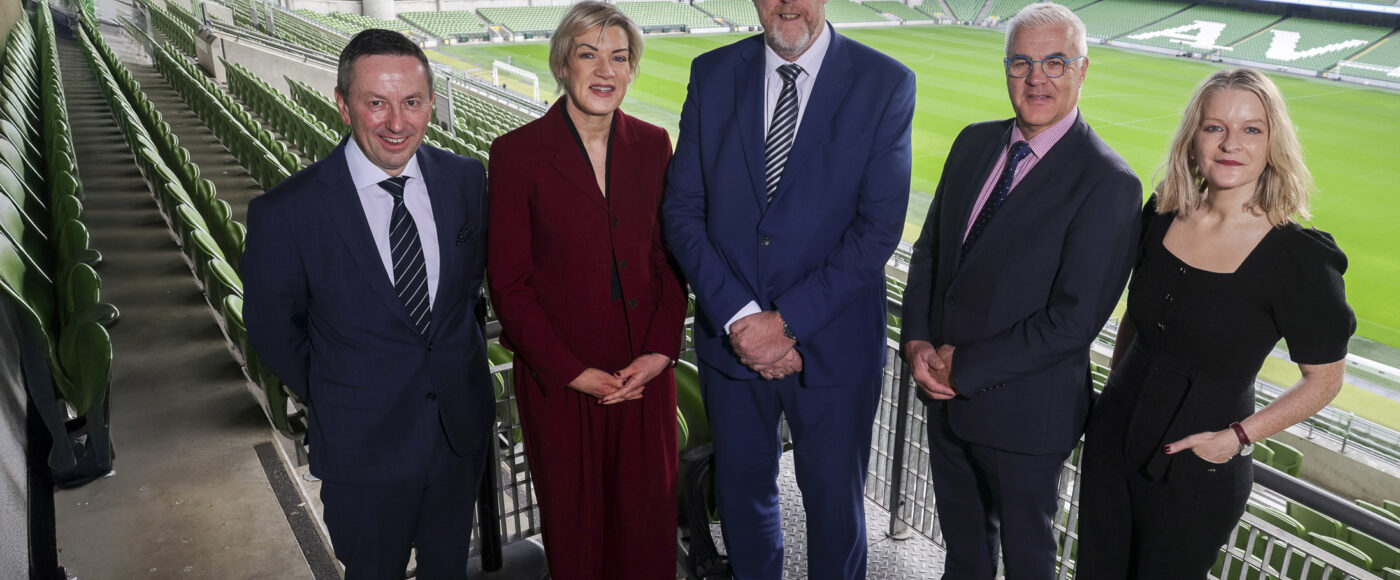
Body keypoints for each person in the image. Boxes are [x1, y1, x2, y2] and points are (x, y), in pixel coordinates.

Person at [662, 0, 916, 575]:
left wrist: (785, 324)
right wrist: (741, 317)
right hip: (732, 344)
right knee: (742, 500)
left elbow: (877, 231)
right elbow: (681, 211)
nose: (787, 4)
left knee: (835, 511)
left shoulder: (886, 83)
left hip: (832, 345)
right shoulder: (712, 73)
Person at [1076, 68, 1354, 579]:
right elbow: (1137, 325)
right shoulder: (1161, 211)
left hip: (1198, 466)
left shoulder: (1298, 257)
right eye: (1214, 127)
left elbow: (1326, 379)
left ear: (1274, 143)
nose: (1231, 144)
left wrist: (1236, 438)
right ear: (1193, 137)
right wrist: (1113, 400)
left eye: (1251, 129)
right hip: (1112, 442)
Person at [898, 3, 1142, 578]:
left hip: (1026, 417)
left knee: (1029, 563)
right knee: (964, 557)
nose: (1037, 78)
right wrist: (916, 345)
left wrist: (965, 367)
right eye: (1022, 63)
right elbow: (931, 253)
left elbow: (1075, 320)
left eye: (1055, 63)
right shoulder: (973, 142)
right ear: (1005, 69)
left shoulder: (1109, 181)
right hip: (943, 396)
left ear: (1083, 70)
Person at [241, 29, 493, 579]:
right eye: (376, 103)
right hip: (362, 448)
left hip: (457, 437)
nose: (397, 123)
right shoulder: (286, 212)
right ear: (343, 105)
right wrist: (341, 392)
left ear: (430, 103)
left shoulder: (466, 180)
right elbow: (270, 329)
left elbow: (466, 294)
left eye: (412, 102)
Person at [486, 3, 686, 579]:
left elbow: (669, 261)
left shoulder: (653, 145)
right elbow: (510, 284)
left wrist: (659, 352)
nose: (605, 70)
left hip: (645, 380)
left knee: (648, 536)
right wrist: (573, 371)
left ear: (632, 68)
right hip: (562, 386)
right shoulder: (516, 154)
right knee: (578, 542)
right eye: (588, 54)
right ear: (562, 65)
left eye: (619, 57)